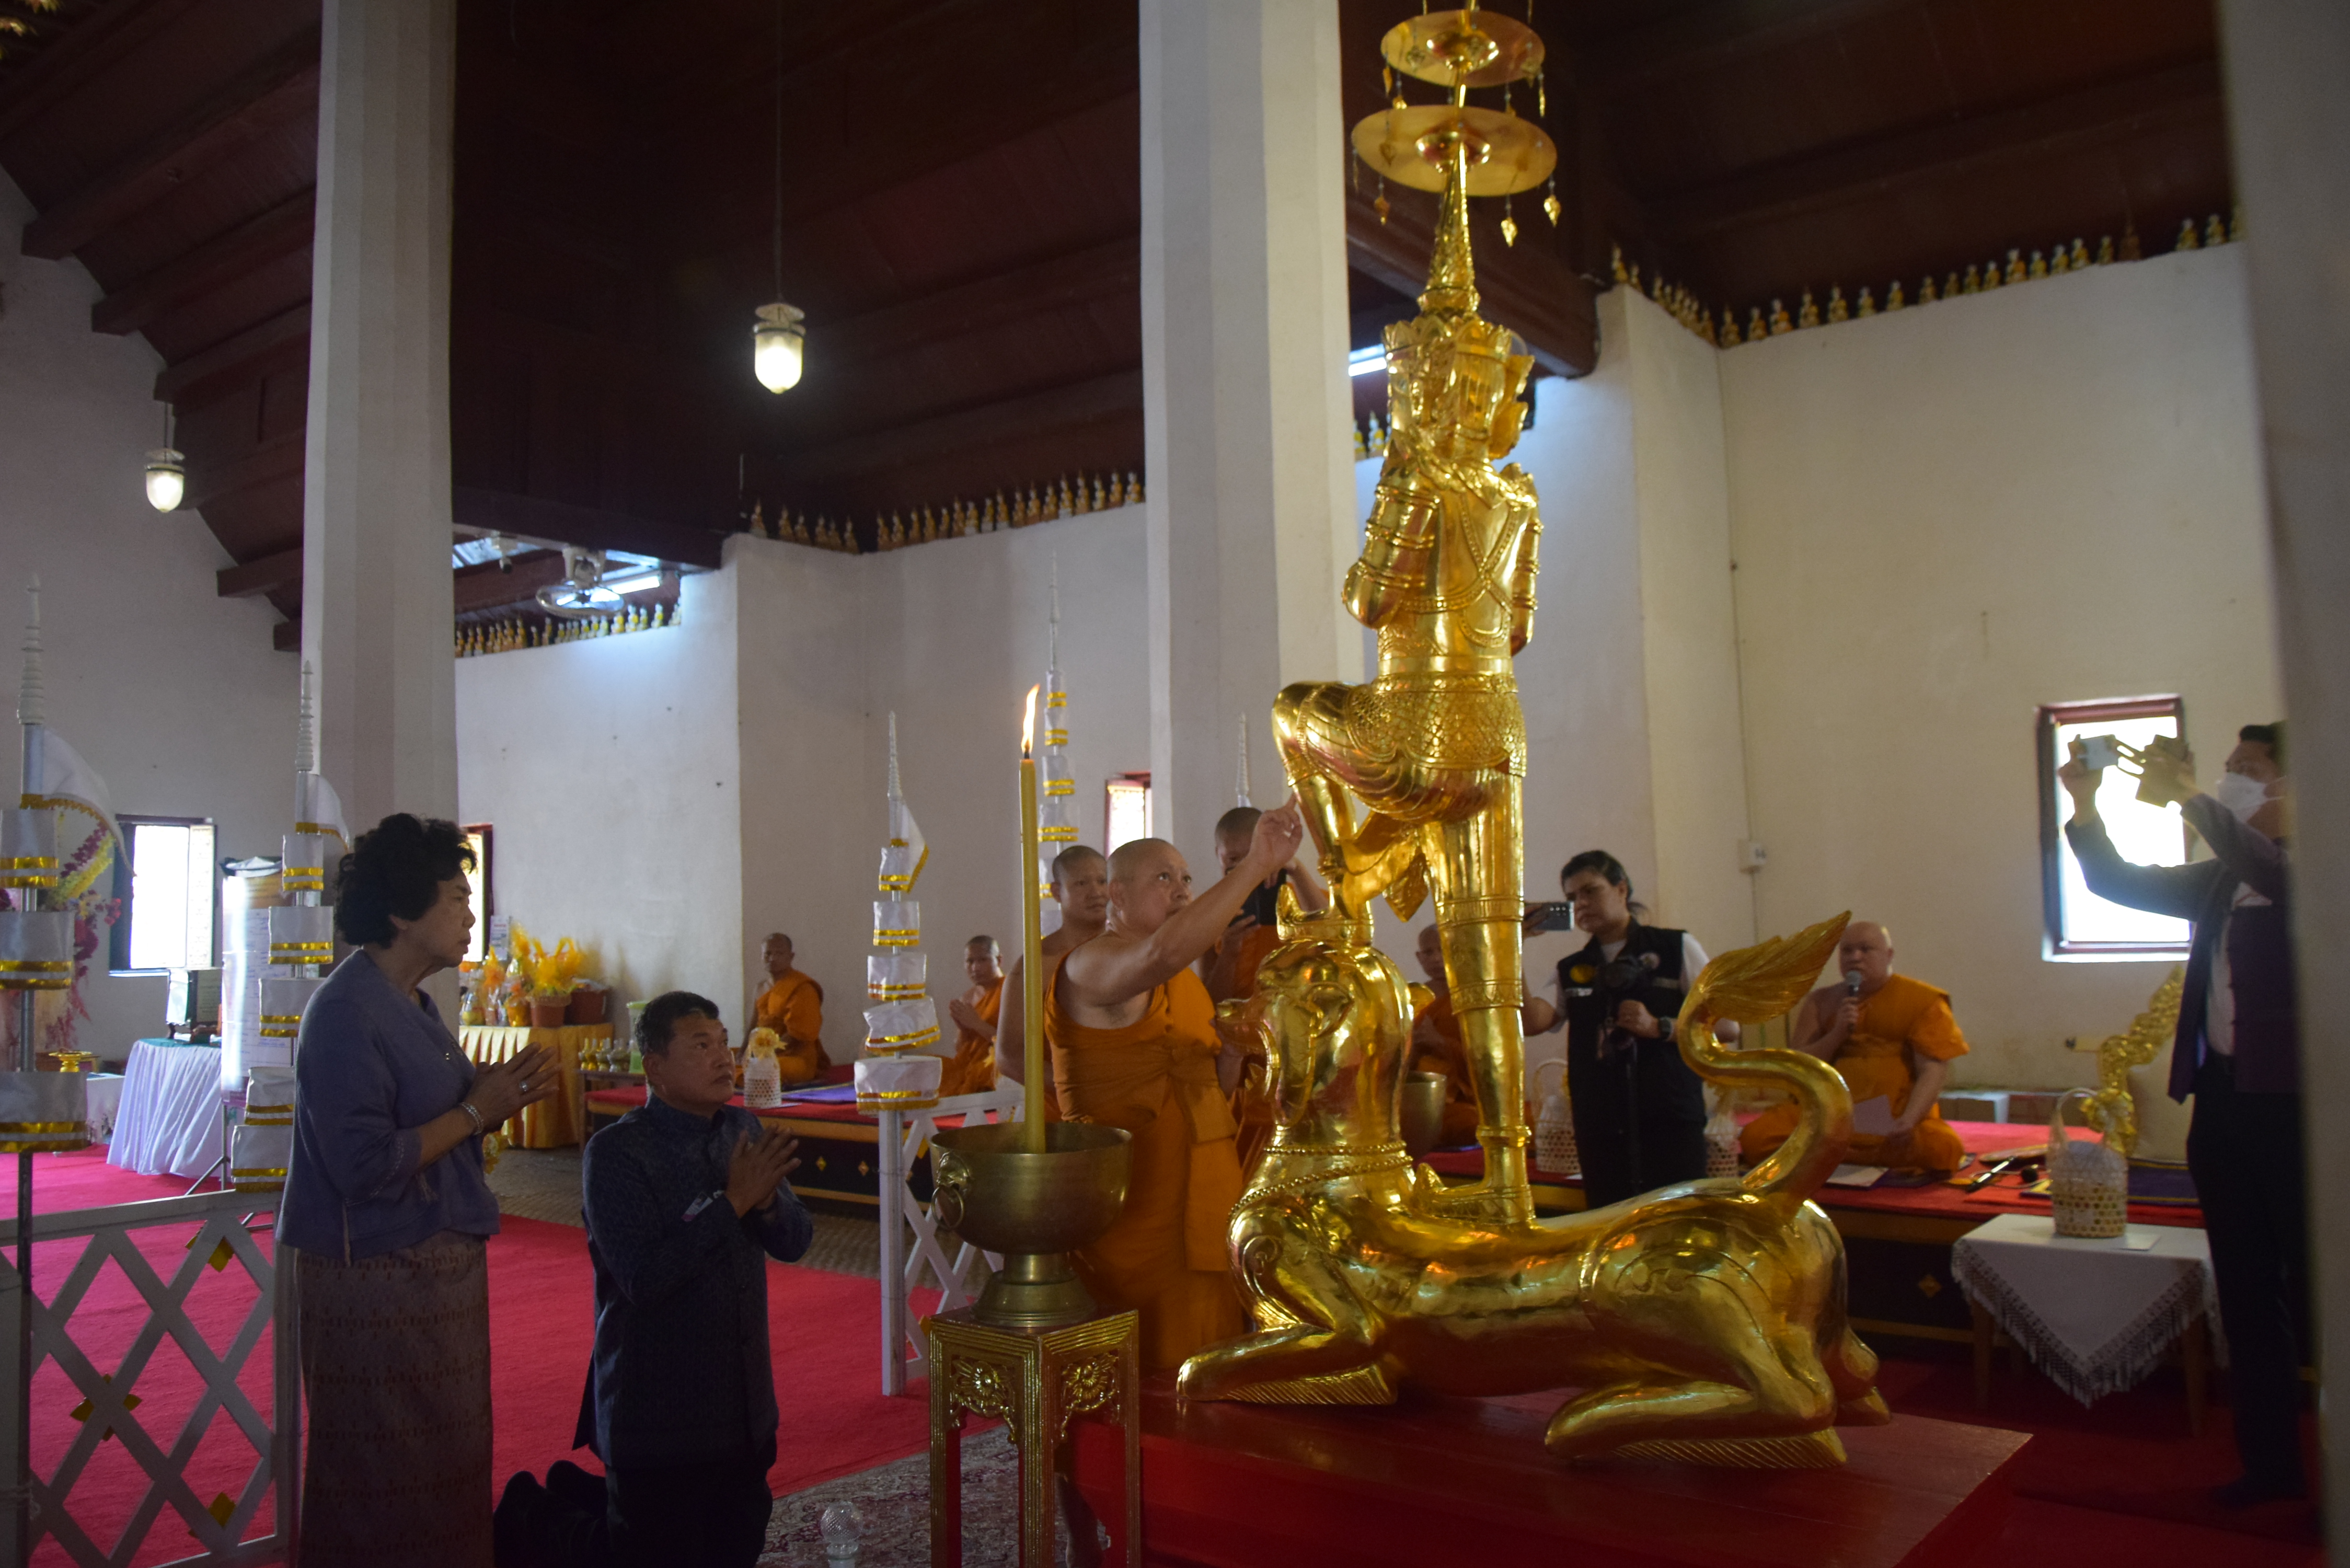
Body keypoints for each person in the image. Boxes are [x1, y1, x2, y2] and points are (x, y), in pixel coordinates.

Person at [280, 814, 554, 1568]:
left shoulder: (416, 1005)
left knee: (449, 1465)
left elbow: (450, 1123)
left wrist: (493, 1101)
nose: (472, 915)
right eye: (457, 899)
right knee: (381, 1475)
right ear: (402, 912)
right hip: (373, 1282)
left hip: (435, 1276)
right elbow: (363, 1165)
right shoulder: (342, 1013)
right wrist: (478, 1110)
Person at [2060, 722, 2305, 1507]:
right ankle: (2270, 1468)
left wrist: (2196, 796)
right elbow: (2116, 884)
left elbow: (2273, 867)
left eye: (2249, 769)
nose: (2234, 778)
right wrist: (2087, 806)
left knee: (2320, 1294)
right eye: (2227, 769)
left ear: (2294, 788)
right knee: (2246, 1293)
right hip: (2225, 1104)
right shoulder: (2215, 883)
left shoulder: (2321, 865)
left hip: (2303, 1113)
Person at [497, 991, 813, 1567]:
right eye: (701, 1046)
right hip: (656, 1418)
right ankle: (533, 1518)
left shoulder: (740, 1127)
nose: (724, 1058)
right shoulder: (618, 1153)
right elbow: (645, 1277)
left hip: (743, 1412)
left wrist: (767, 1207)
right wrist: (734, 1201)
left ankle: (570, 1501)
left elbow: (794, 1242)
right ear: (656, 1069)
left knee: (732, 1550)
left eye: (723, 1043)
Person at [1047, 803, 1305, 1368]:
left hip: (1205, 1176)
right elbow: (1161, 951)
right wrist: (1254, 864)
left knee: (1211, 1336)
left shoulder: (1181, 983)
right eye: (1162, 877)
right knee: (1152, 1355)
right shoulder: (1090, 965)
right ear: (1115, 896)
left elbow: (1207, 1081)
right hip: (1137, 1191)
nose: (1181, 888)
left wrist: (1233, 1052)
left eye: (1186, 876)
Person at [1523, 851, 1734, 1208]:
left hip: (1669, 1115)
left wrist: (1660, 1027)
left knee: (1676, 1225)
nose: (1582, 904)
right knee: (1609, 1228)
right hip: (1600, 1123)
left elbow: (1727, 1026)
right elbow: (1533, 1022)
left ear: (1622, 889)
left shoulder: (1676, 948)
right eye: (1573, 898)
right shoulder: (1573, 968)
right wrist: (1514, 947)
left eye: (1591, 891)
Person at [1740, 921, 1968, 1173]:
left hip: (1892, 1116)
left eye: (1865, 949)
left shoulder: (1922, 1000)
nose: (1854, 958)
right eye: (1847, 951)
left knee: (1942, 1148)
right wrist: (1837, 1034)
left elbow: (1933, 1068)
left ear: (1889, 955)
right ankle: (1849, 1156)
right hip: (1832, 1116)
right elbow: (1799, 1066)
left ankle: (1829, 1159)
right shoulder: (1821, 1001)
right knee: (1757, 1138)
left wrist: (1909, 1121)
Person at [996, 845, 1111, 1112]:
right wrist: (1079, 1088)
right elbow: (1010, 1056)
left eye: (1102, 881)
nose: (1096, 892)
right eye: (1082, 883)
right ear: (1056, 892)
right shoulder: (1038, 964)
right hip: (1063, 1110)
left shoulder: (1128, 951)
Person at [1199, 805, 1330, 1004]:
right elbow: (1211, 1002)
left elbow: (1332, 929)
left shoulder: (1295, 897)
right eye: (1233, 859)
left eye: (1252, 855)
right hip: (1237, 1029)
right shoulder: (1209, 911)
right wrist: (1229, 952)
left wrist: (1296, 869)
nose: (1246, 867)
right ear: (1218, 854)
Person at [1409, 924, 1479, 1147]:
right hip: (1417, 1096)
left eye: (1444, 950)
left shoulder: (1473, 998)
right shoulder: (1411, 998)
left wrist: (1439, 1044)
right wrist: (1413, 1048)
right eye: (1429, 953)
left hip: (1461, 1100)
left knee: (1473, 1123)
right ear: (1420, 958)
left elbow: (1486, 1059)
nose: (1436, 959)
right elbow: (1393, 1060)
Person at [750, 933, 825, 1083]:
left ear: (791, 957)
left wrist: (767, 1054)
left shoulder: (802, 988)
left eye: (779, 953)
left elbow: (798, 1035)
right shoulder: (760, 987)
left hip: (795, 1057)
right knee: (729, 1060)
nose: (772, 958)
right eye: (768, 954)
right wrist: (743, 1053)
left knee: (767, 1069)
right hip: (763, 1052)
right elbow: (753, 1027)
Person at [939, 936, 1004, 1096]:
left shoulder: (1010, 991)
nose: (976, 968)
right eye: (970, 962)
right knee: (930, 1068)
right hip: (969, 1065)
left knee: (989, 1070)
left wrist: (976, 1024)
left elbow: (1015, 1046)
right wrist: (964, 1030)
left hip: (997, 1064)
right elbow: (962, 1050)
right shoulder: (967, 998)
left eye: (983, 960)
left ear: (999, 960)